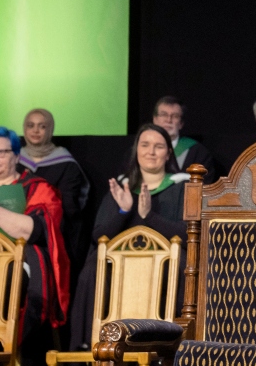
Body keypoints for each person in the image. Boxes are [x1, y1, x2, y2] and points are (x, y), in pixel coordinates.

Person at [68, 124, 189, 353]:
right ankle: (86, 347)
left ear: (168, 153)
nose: (151, 152)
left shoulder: (181, 187)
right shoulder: (121, 188)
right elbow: (99, 237)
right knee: (92, 267)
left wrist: (148, 217)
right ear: (136, 151)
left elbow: (187, 234)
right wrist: (123, 212)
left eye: (158, 146)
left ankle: (166, 349)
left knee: (182, 265)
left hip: (166, 263)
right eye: (145, 145)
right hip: (122, 263)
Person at [0, 127, 71, 364]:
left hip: (19, 263)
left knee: (6, 277)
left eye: (1, 152)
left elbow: (34, 230)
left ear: (16, 155)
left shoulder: (37, 188)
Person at [19, 109, 90, 266]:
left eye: (42, 126)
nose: (35, 130)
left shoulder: (65, 163)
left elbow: (69, 205)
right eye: (30, 125)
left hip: (55, 232)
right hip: (16, 230)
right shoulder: (14, 160)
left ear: (50, 129)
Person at [152, 96, 219, 184]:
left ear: (181, 124)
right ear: (154, 119)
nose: (168, 120)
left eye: (175, 116)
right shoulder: (140, 150)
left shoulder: (198, 153)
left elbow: (204, 186)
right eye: (164, 114)